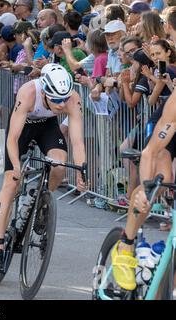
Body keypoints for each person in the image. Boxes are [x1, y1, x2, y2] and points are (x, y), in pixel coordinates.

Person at [0, 63, 86, 272]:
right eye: (56, 100)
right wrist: (15, 168)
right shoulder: (29, 92)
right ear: (45, 91)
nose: (61, 105)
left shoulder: (72, 98)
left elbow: (77, 141)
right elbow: (12, 138)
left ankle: (43, 200)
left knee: (59, 165)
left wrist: (81, 170)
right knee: (11, 184)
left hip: (47, 128)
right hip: (22, 129)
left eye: (64, 99)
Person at [111, 6, 176, 292]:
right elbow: (150, 152)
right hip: (167, 144)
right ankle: (126, 245)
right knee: (159, 180)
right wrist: (148, 188)